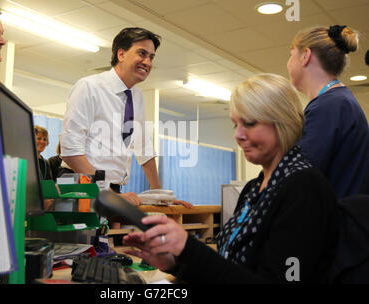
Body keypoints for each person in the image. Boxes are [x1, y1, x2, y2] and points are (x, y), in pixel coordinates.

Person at [123, 74, 339, 283]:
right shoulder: (254, 189)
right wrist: (173, 263)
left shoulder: (305, 189)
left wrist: (189, 248)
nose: (238, 135)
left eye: (250, 123)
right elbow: (231, 271)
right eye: (236, 124)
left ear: (284, 122)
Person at [60, 27, 162, 206]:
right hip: (81, 184)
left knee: (114, 234)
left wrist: (160, 196)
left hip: (111, 188)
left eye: (151, 57)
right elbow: (71, 151)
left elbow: (144, 149)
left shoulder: (136, 96)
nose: (147, 62)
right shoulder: (89, 87)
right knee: (86, 235)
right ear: (121, 54)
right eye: (142, 53)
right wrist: (106, 192)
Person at [287, 25, 369, 198]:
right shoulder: (338, 101)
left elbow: (298, 178)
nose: (288, 63)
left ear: (305, 56)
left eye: (291, 54)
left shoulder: (329, 106)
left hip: (336, 221)